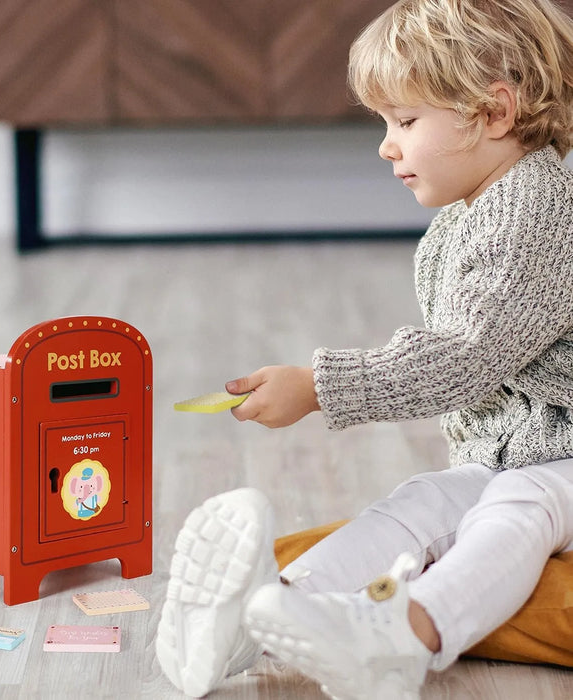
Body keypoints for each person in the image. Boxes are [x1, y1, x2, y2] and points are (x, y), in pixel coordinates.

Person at [155, 0, 573, 697]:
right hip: (526, 450)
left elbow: (467, 355)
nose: (386, 145)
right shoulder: (475, 209)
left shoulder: (538, 208)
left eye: (406, 122)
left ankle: (406, 635)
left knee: (518, 507)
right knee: (420, 505)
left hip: (556, 461)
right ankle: (274, 605)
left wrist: (323, 387)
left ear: (495, 113)